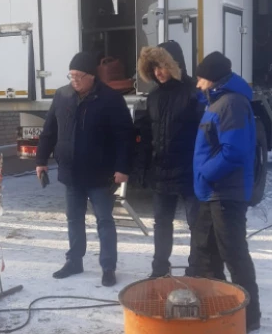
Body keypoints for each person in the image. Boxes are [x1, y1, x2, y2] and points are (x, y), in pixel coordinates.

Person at [36, 51, 136, 287]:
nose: (75, 80)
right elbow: (49, 130)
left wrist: (123, 168)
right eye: (71, 76)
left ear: (92, 76)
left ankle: (108, 266)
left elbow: (125, 137)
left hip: (100, 174)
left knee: (104, 221)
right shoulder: (62, 95)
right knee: (74, 219)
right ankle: (74, 261)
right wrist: (41, 160)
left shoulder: (110, 99)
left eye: (79, 76)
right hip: (71, 173)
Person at [191, 51, 261, 333]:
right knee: (207, 253)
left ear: (215, 79)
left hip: (225, 193)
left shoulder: (231, 104)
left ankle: (249, 318)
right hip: (212, 193)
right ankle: (218, 306)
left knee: (234, 254)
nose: (197, 84)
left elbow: (234, 152)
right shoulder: (218, 101)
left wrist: (206, 172)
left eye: (201, 78)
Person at [138, 41, 202, 278]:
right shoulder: (154, 96)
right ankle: (159, 268)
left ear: (176, 65)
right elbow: (147, 135)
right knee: (161, 224)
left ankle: (196, 268)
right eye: (155, 68)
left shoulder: (194, 92)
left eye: (163, 66)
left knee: (197, 224)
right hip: (161, 171)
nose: (158, 72)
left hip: (189, 171)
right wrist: (143, 167)